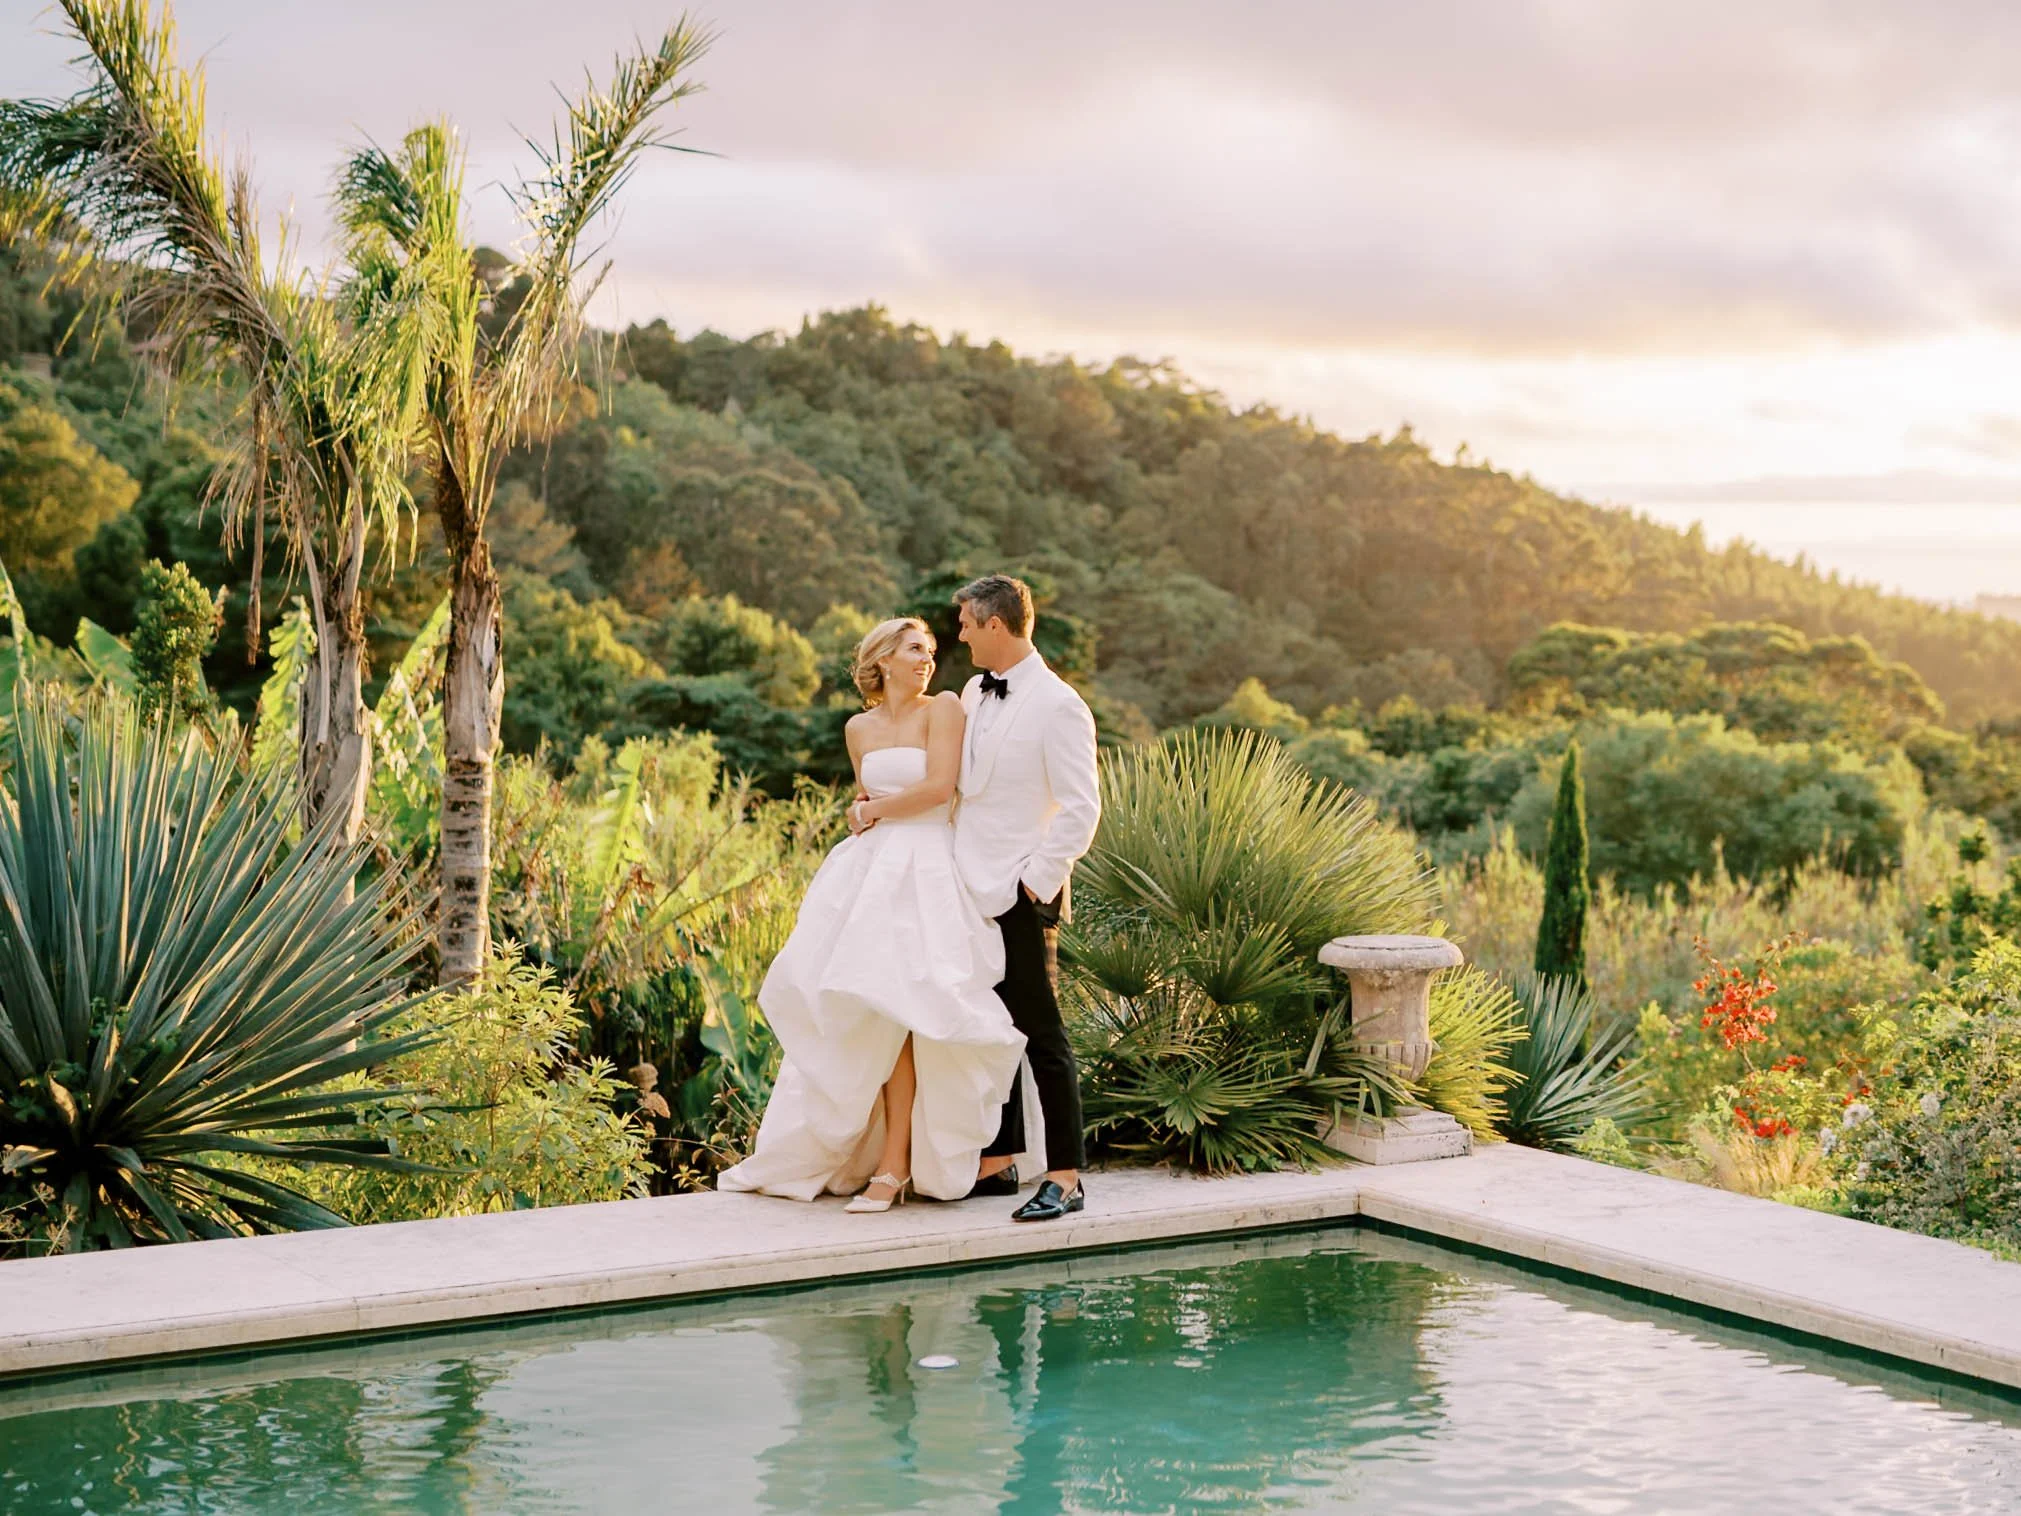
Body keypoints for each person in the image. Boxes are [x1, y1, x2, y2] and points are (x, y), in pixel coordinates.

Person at [717, 617, 1029, 1209]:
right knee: (872, 1013)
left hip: (928, 870)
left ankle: (898, 1165)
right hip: (869, 874)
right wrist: (864, 814)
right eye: (915, 649)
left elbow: (939, 789)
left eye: (933, 651)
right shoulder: (857, 727)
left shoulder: (943, 710)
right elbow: (866, 795)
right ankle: (877, 1157)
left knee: (914, 1012)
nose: (927, 659)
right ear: (882, 659)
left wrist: (870, 812)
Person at [946, 574, 1101, 1222]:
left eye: (964, 623)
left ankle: (1064, 1177)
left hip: (1018, 893)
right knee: (988, 1028)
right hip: (962, 887)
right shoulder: (971, 691)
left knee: (1041, 1034)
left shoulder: (1059, 705)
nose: (957, 634)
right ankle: (999, 1160)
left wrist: (1030, 884)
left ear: (995, 625)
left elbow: (1080, 809)